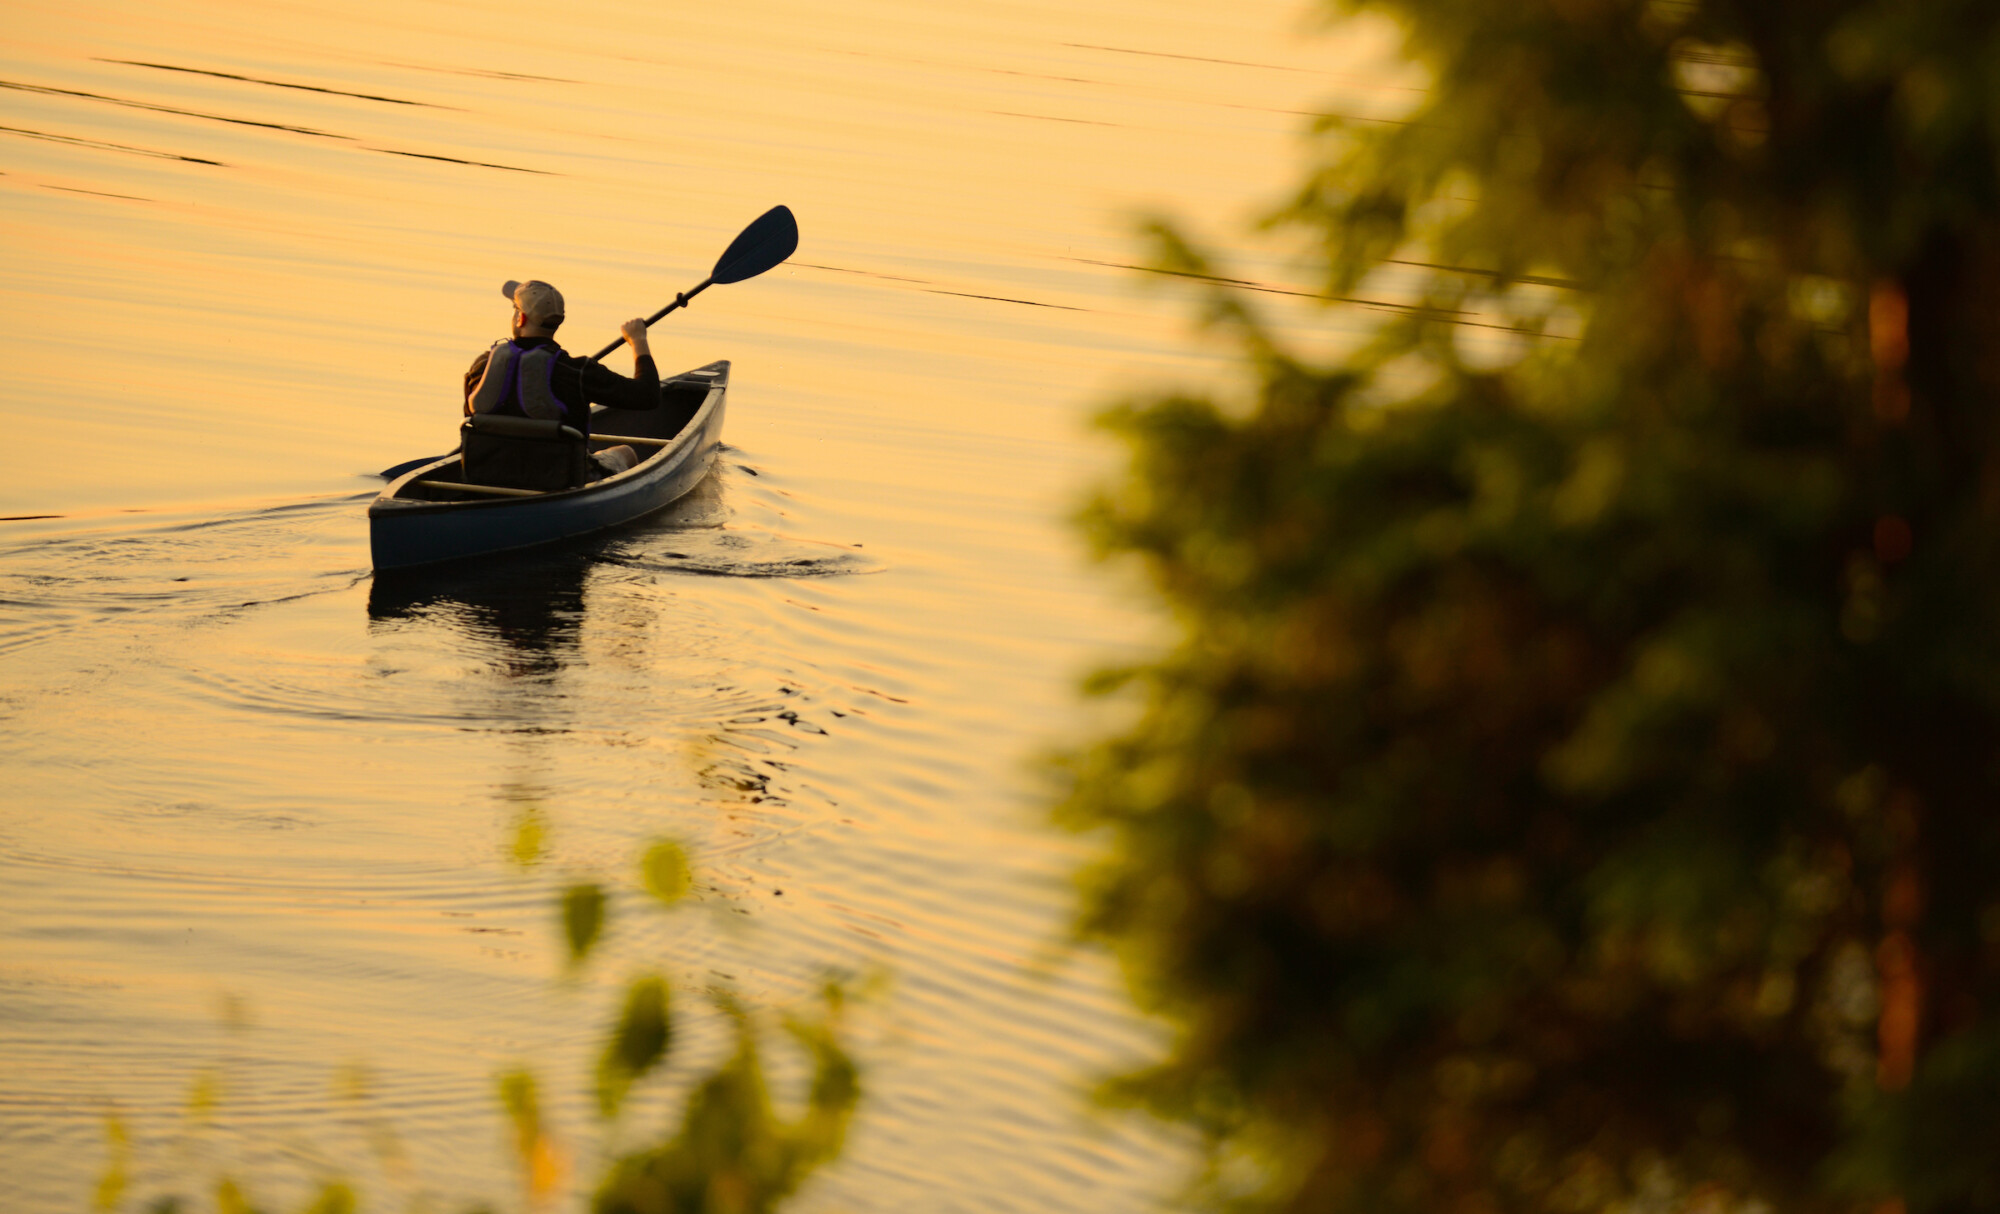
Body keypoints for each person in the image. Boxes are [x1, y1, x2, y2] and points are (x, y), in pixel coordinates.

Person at [463, 279, 660, 480]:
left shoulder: (482, 366)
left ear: (520, 318)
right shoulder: (578, 371)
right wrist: (638, 340)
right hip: (558, 479)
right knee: (625, 452)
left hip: (486, 475)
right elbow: (648, 395)